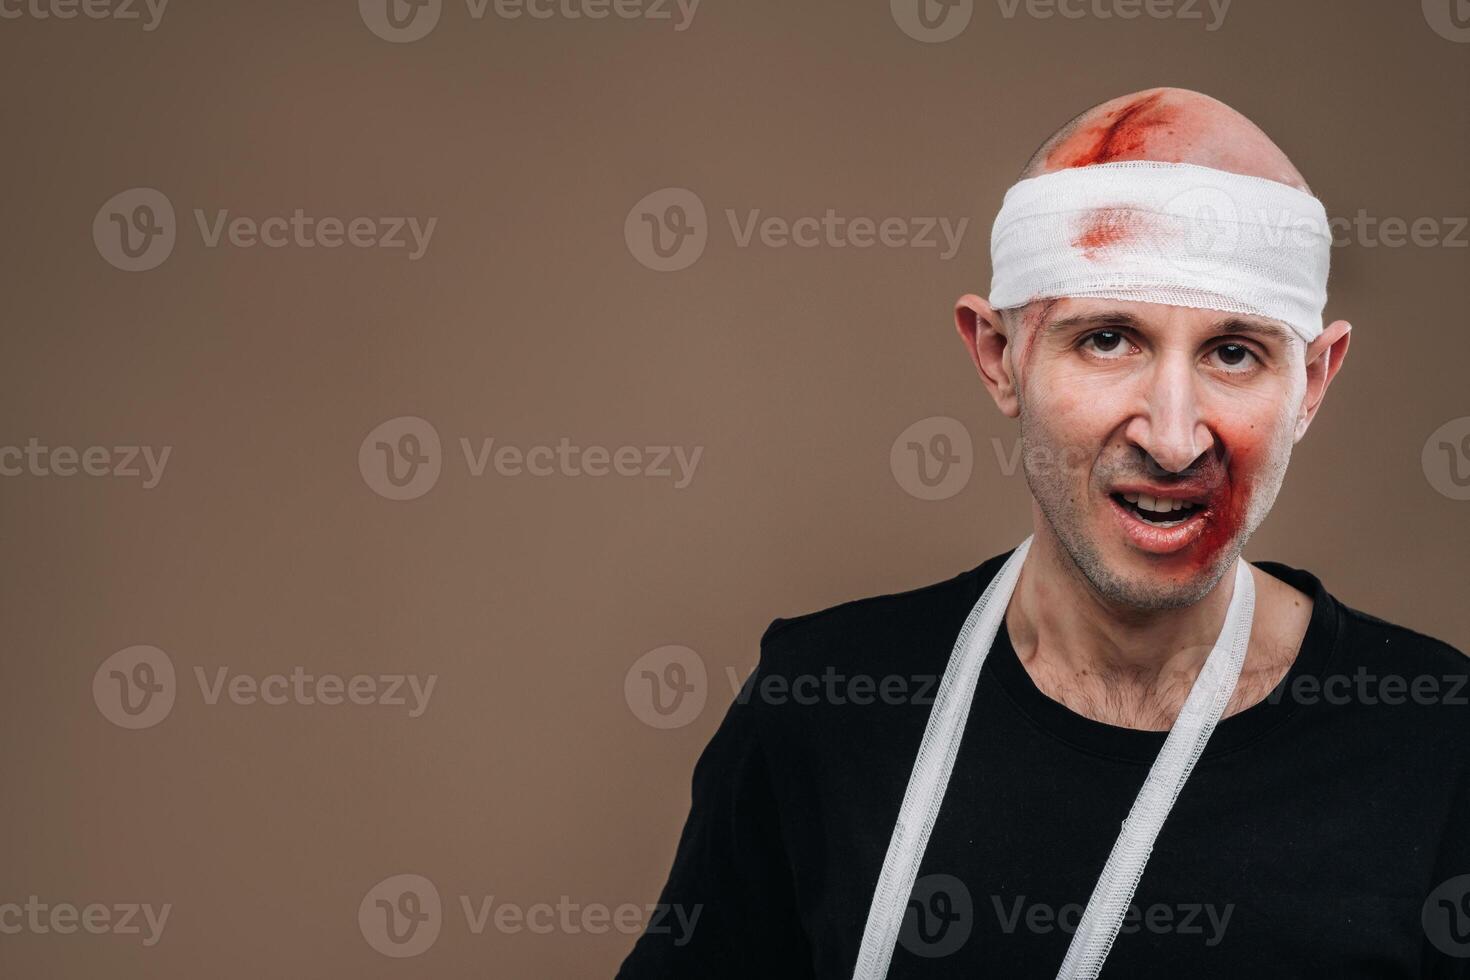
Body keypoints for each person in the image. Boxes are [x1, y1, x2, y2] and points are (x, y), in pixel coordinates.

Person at [616, 87, 1470, 978]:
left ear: (1314, 381)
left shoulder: (1439, 745)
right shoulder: (821, 710)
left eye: (1234, 352)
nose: (1173, 437)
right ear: (997, 356)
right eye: (1107, 339)